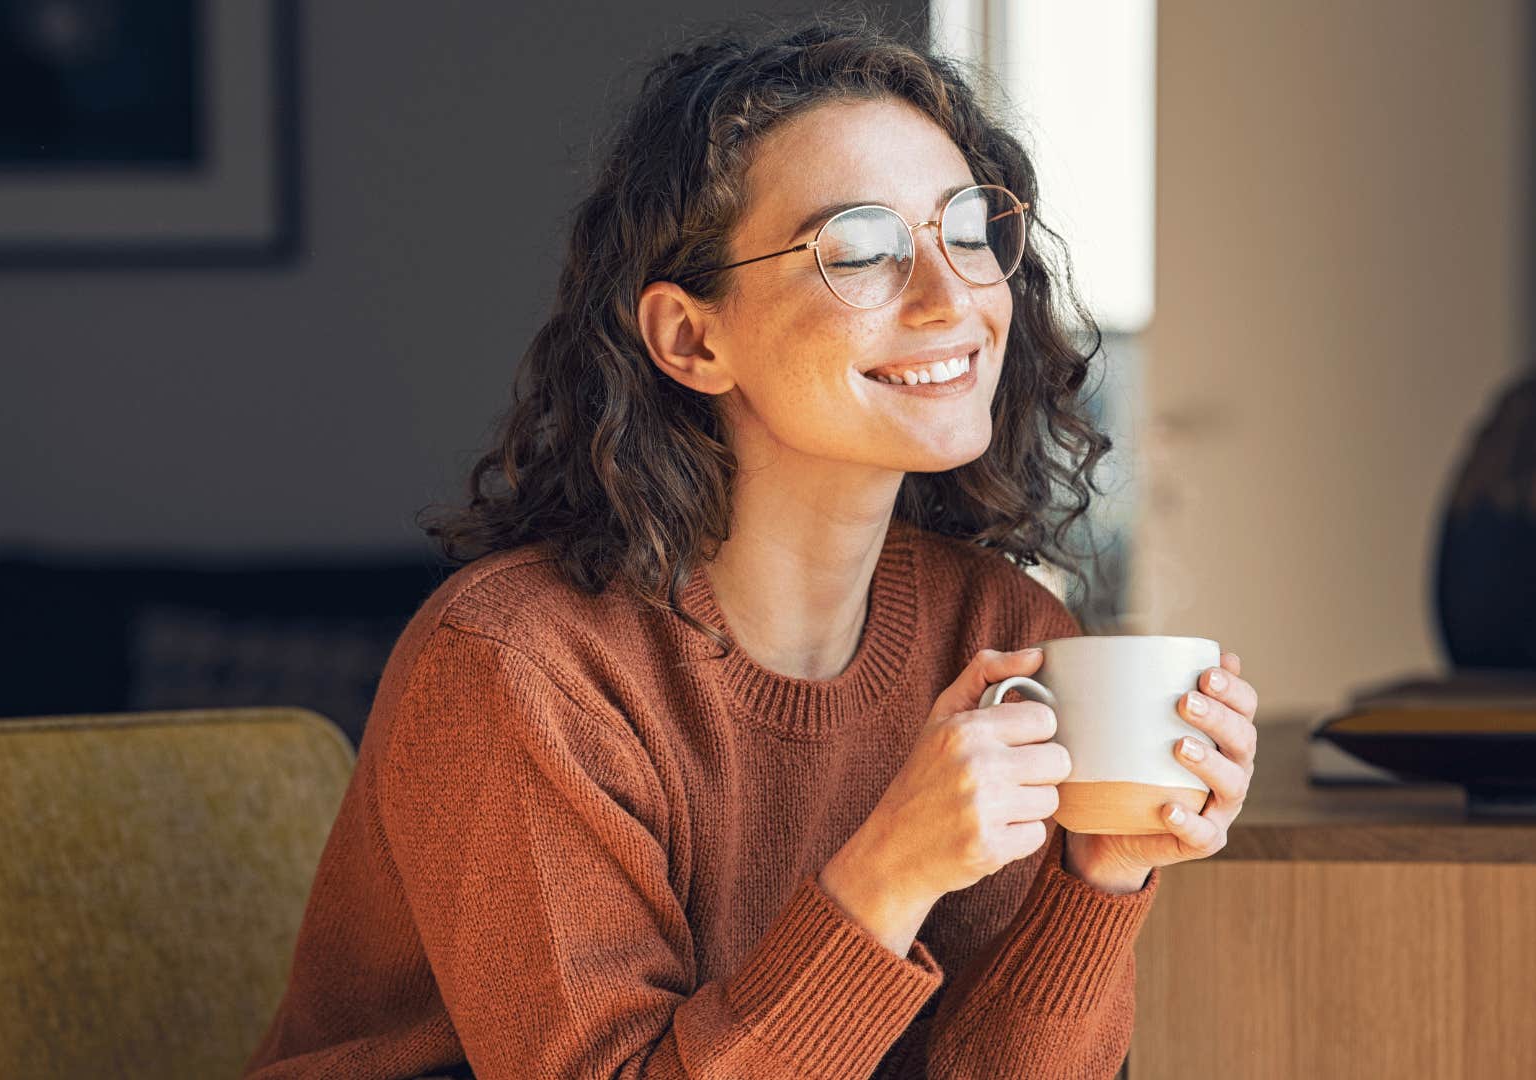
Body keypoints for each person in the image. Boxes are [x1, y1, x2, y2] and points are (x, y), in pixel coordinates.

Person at [244, 11, 1260, 1079]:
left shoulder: (1001, 636)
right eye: (860, 251)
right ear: (693, 337)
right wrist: (885, 874)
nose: (950, 295)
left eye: (967, 230)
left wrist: (1098, 878)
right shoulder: (518, 668)